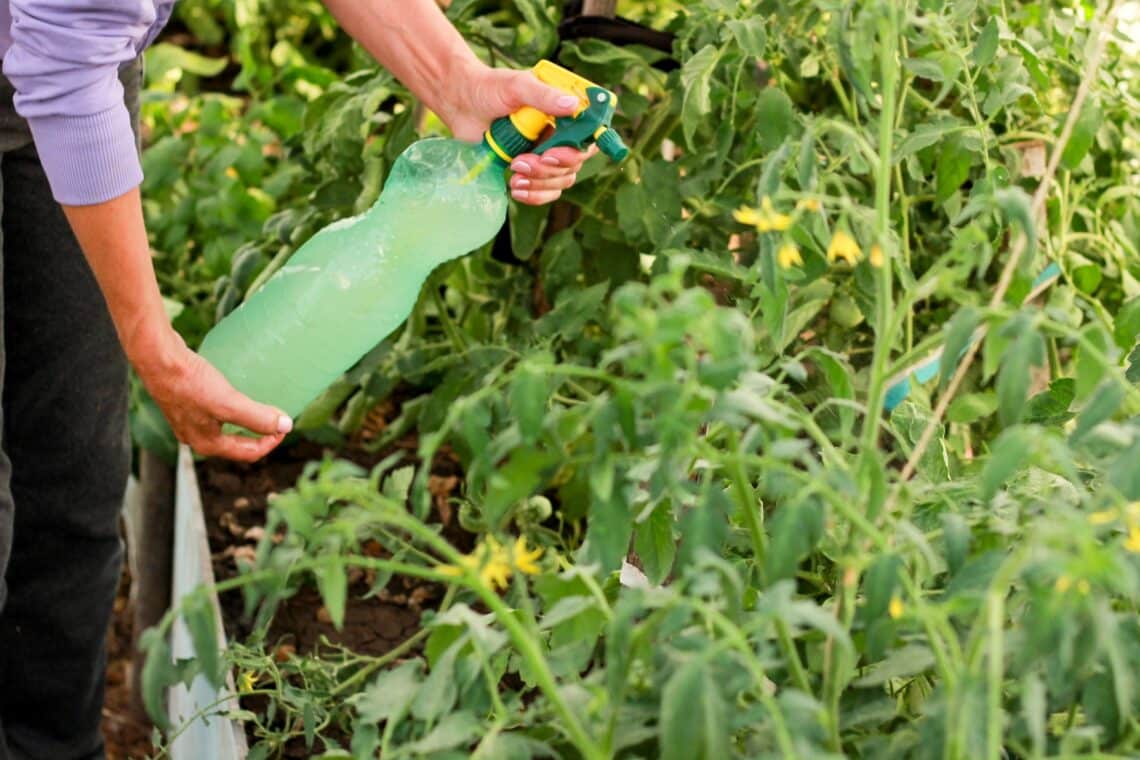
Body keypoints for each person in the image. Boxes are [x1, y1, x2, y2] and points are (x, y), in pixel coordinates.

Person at [0, 0, 593, 757]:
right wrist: (153, 343)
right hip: (67, 59)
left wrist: (457, 81)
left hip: (72, 58)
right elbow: (66, 58)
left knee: (75, 476)